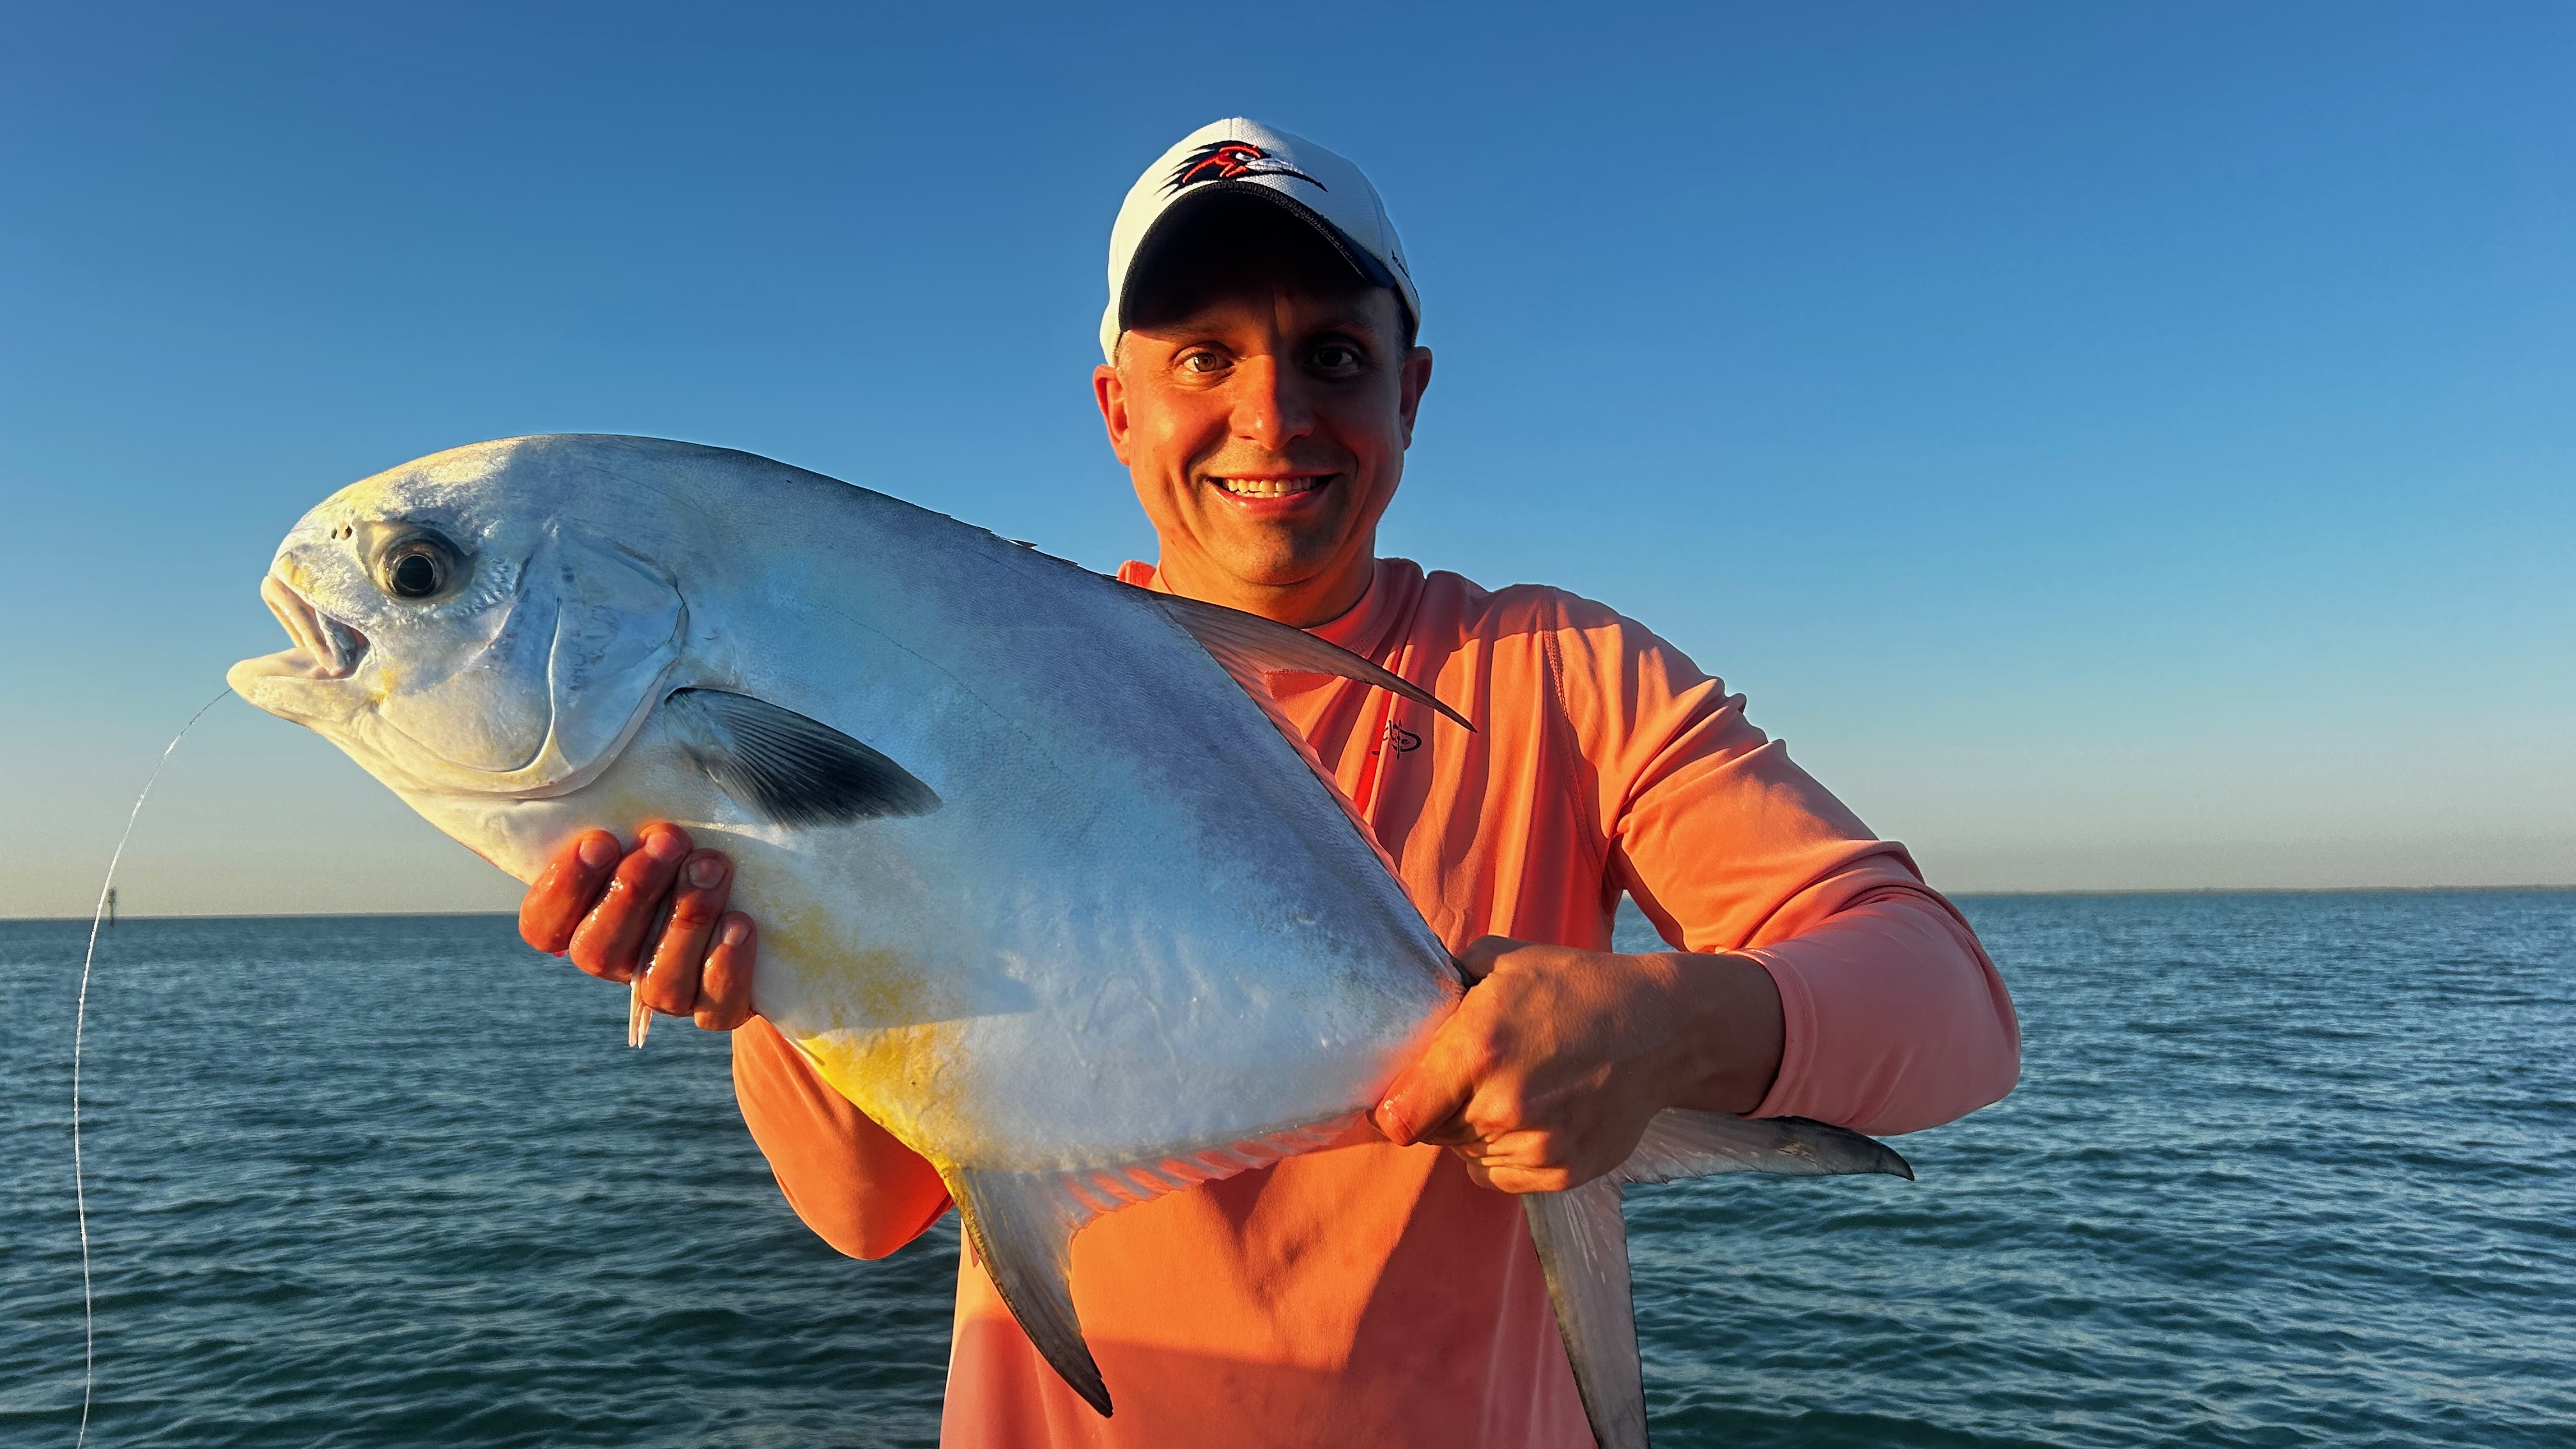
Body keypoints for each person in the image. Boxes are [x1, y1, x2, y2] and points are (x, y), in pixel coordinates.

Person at [516, 119, 2020, 1447]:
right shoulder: (968, 684)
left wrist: (1672, 1027)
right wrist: (765, 965)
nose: (1276, 416)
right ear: (1118, 406)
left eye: (1334, 357)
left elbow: (1953, 1012)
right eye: (1204, 358)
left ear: (1411, 393)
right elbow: (863, 1210)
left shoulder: (1562, 674)